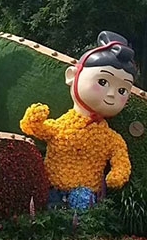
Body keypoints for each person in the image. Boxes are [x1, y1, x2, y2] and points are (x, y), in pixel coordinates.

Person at [20, 31, 138, 209]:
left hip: (85, 192)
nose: (112, 94)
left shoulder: (111, 139)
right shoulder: (62, 126)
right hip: (53, 187)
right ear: (72, 76)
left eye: (122, 91)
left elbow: (120, 160)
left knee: (81, 210)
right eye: (103, 82)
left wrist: (118, 173)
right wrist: (35, 119)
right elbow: (35, 129)